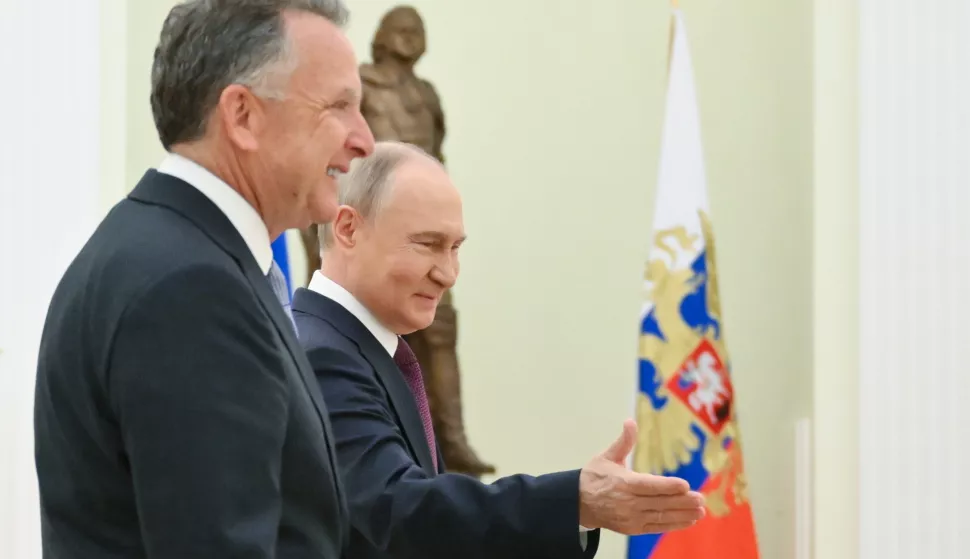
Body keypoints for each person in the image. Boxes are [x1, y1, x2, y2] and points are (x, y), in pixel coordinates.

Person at [33, 1, 374, 557]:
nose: (364, 139)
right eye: (339, 106)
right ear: (242, 115)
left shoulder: (165, 250)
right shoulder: (190, 289)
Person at [291, 141, 706, 559]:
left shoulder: (355, 348)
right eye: (428, 244)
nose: (448, 273)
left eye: (455, 248)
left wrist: (579, 510)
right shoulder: (322, 356)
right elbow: (400, 511)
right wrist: (574, 501)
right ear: (348, 229)